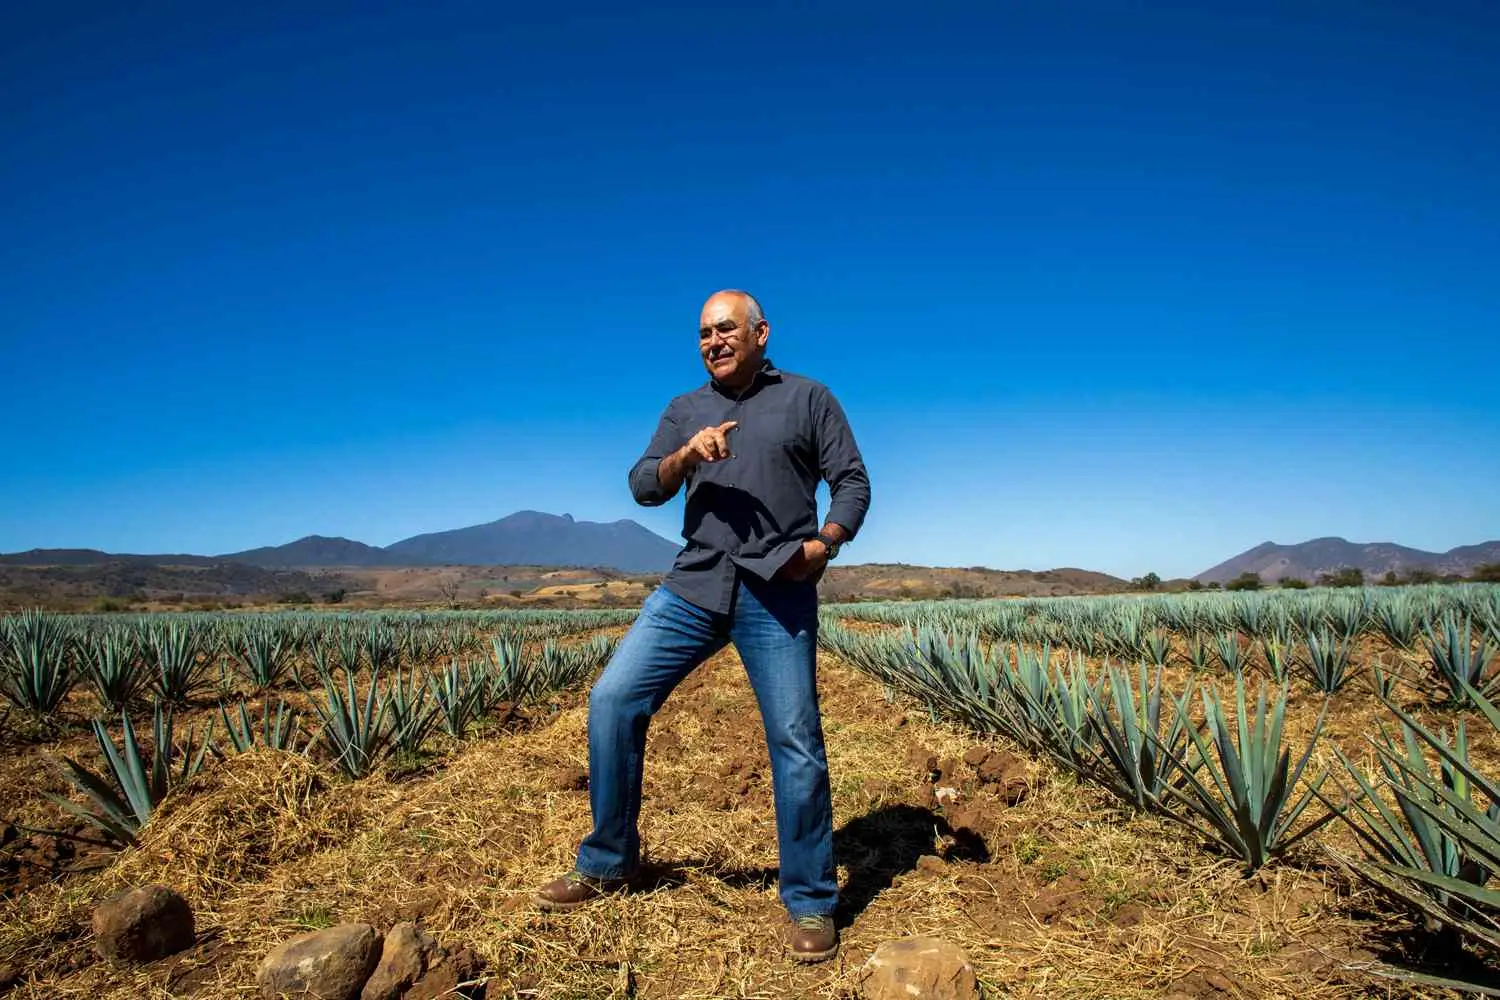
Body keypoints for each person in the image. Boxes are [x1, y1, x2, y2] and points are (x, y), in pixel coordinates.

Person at [534, 289, 871, 963]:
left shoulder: (809, 399)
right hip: (694, 585)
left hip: (778, 588)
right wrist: (687, 456)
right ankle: (609, 860)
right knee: (612, 700)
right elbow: (643, 485)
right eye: (703, 334)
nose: (714, 341)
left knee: (796, 741)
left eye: (726, 330)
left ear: (760, 333)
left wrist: (825, 543)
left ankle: (809, 899)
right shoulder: (685, 409)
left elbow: (853, 482)